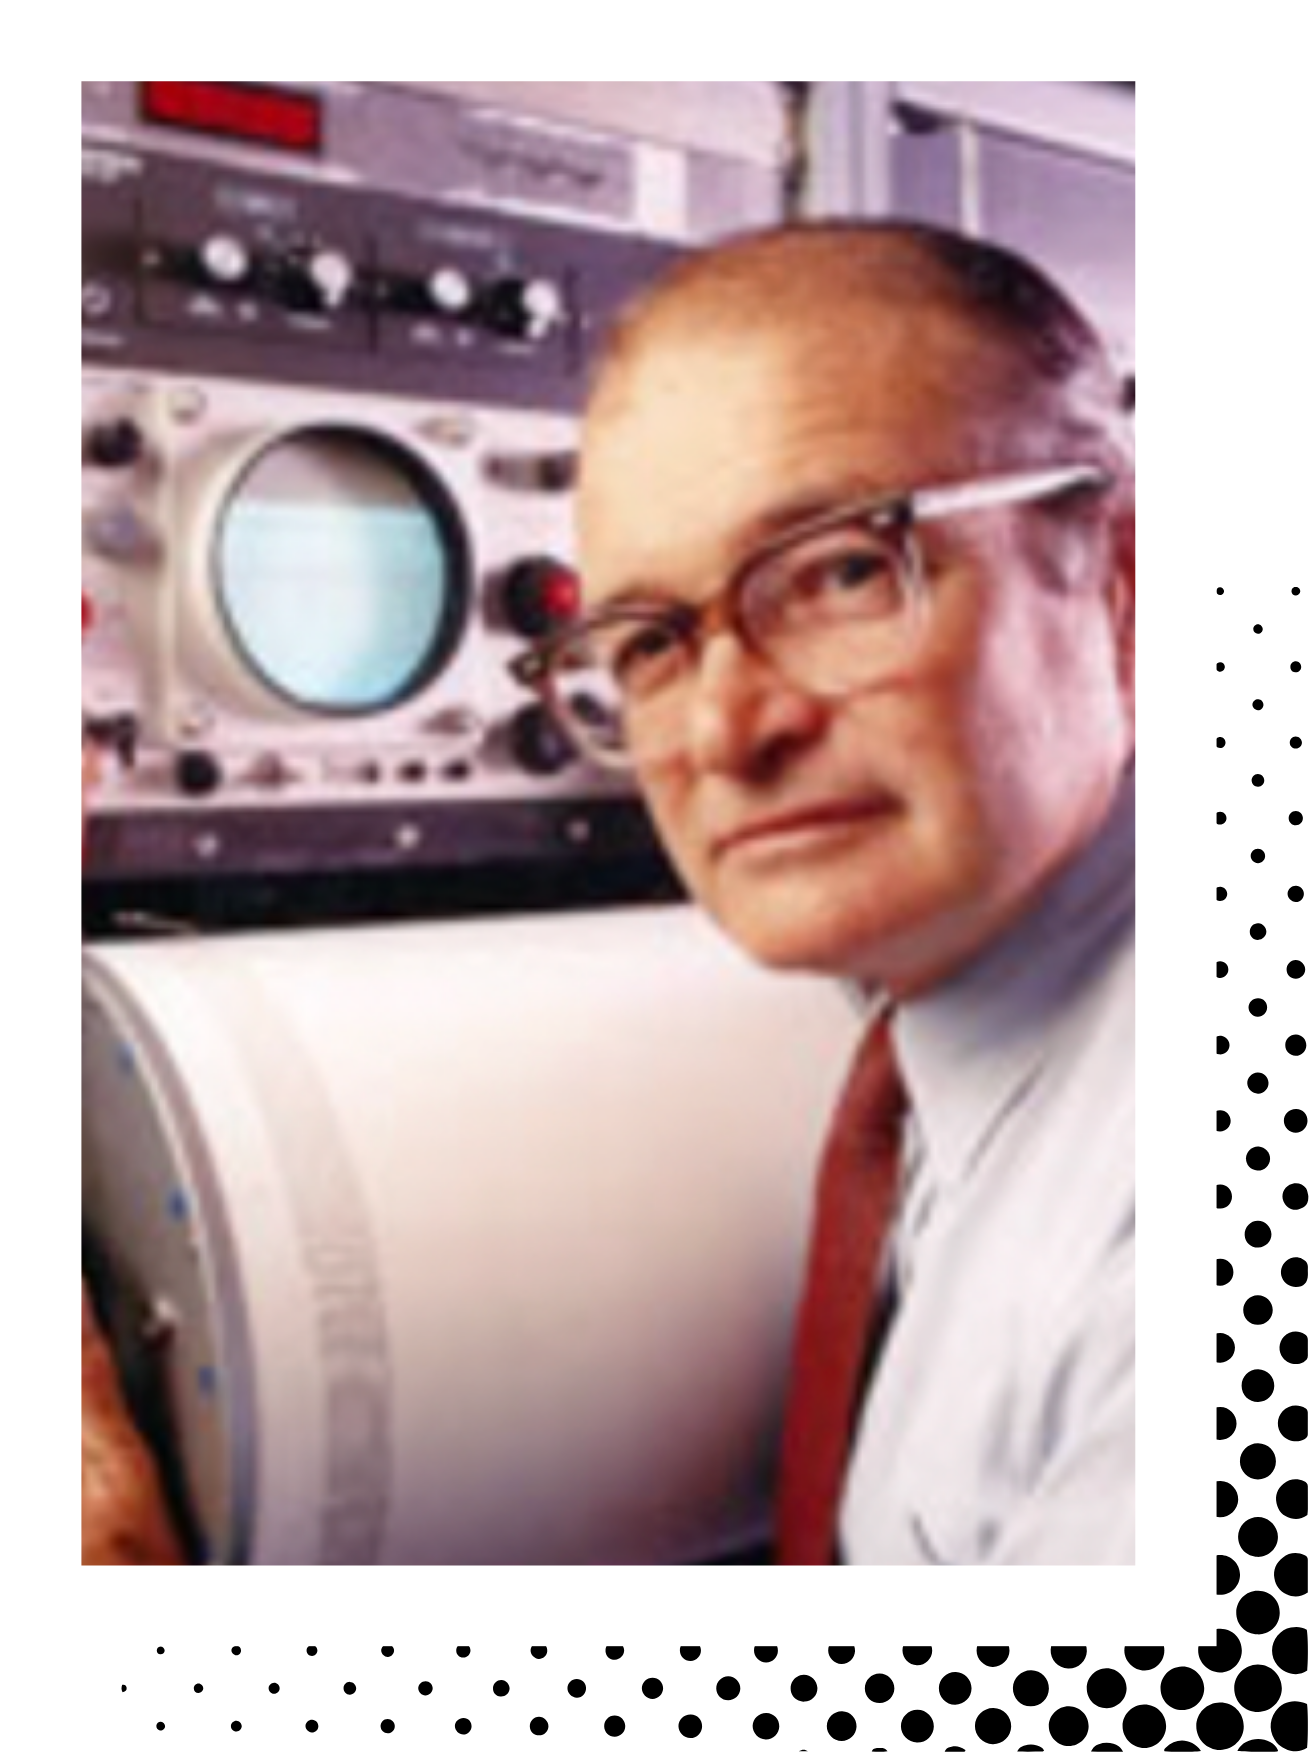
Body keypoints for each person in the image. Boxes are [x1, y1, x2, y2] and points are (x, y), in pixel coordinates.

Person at [82, 217, 1134, 1564]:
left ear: (1118, 581)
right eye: (644, 640)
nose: (721, 731)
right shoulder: (952, 1012)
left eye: (837, 572)